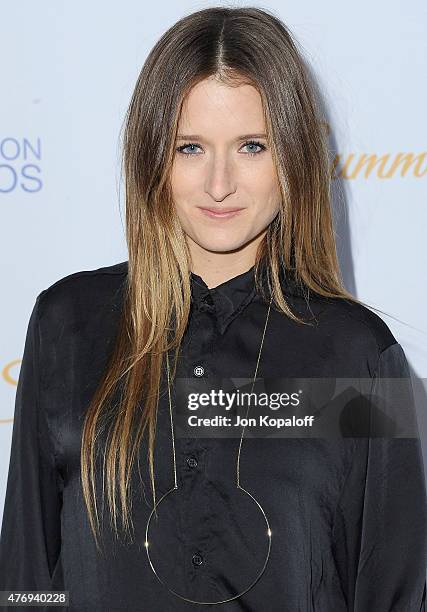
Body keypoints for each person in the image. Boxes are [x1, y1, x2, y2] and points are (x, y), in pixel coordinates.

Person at [0, 6, 426, 611]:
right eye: (190, 147)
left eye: (251, 146)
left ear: (293, 160)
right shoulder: (66, 324)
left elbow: (395, 593)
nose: (219, 183)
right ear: (153, 157)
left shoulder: (360, 353)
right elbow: (26, 578)